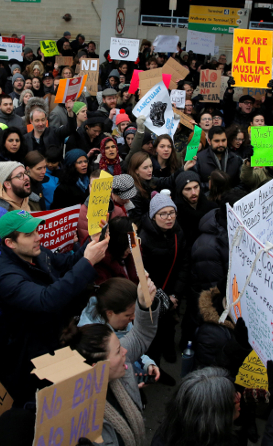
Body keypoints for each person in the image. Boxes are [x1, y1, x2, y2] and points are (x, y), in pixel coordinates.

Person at [0, 210, 109, 404]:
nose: (38, 237)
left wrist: (93, 240)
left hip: (56, 337)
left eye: (37, 231)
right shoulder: (6, 276)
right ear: (10, 243)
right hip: (31, 357)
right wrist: (89, 262)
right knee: (48, 404)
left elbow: (68, 263)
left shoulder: (37, 252)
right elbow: (46, 300)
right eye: (29, 235)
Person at [61, 275, 158, 446]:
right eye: (119, 351)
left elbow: (141, 334)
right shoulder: (87, 425)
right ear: (97, 367)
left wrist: (145, 305)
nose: (126, 352)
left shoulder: (118, 360)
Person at [139, 190, 187, 368]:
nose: (169, 218)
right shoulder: (144, 238)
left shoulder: (177, 232)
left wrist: (175, 293)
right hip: (154, 293)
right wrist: (163, 297)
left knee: (169, 325)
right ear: (153, 216)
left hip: (173, 289)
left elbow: (184, 262)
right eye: (163, 214)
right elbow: (143, 272)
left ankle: (168, 349)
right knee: (153, 331)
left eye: (172, 213)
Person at [78, 277, 159, 381]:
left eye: (134, 312)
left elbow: (133, 343)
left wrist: (147, 363)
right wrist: (128, 382)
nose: (134, 318)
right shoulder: (91, 338)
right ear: (110, 313)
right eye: (128, 315)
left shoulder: (122, 321)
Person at [151, 367, 242, 446]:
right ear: (215, 416)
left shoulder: (168, 432)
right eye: (234, 398)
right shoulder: (226, 440)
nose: (240, 396)